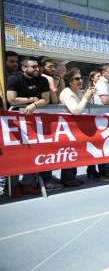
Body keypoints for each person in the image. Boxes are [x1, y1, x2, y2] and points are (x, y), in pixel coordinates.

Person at [6, 57, 62, 194]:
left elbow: (46, 99)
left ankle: (28, 182)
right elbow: (11, 99)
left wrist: (34, 105)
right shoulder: (14, 79)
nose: (37, 69)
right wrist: (32, 99)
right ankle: (12, 185)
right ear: (24, 68)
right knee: (15, 153)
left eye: (37, 66)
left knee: (33, 152)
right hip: (14, 122)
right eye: (33, 67)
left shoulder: (42, 80)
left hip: (34, 123)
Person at [59, 68, 95, 187]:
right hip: (66, 128)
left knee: (74, 152)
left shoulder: (77, 92)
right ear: (70, 81)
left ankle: (72, 177)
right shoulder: (67, 92)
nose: (80, 81)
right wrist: (85, 97)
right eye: (76, 78)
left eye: (81, 78)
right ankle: (67, 179)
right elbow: (76, 110)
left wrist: (87, 97)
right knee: (69, 152)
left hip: (74, 128)